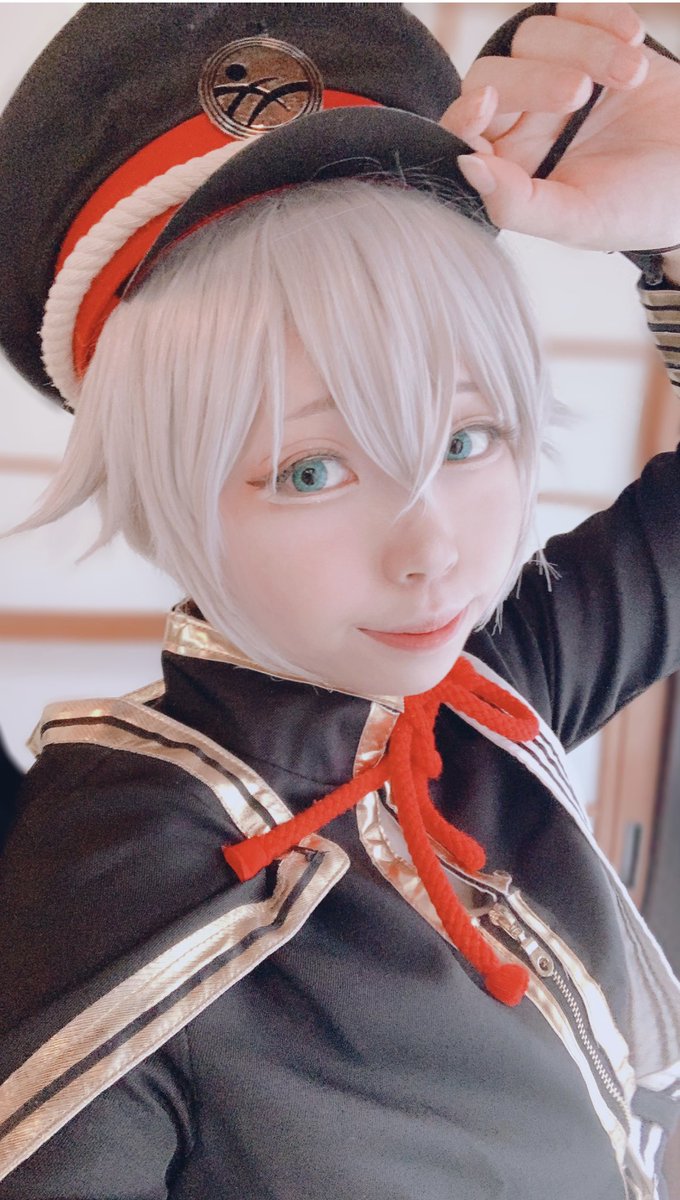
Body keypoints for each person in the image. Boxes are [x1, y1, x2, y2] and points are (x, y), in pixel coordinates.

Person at [0, 3, 679, 1198]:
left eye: (465, 440)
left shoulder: (490, 684)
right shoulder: (116, 870)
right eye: (310, 470)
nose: (430, 552)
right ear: (161, 481)